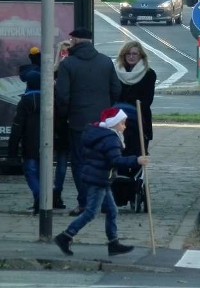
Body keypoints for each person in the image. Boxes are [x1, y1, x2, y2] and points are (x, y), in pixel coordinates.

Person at [54, 107, 149, 257]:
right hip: (98, 179)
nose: (124, 127)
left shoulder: (101, 135)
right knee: (91, 212)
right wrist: (136, 160)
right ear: (114, 124)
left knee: (112, 210)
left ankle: (113, 243)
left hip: (100, 178)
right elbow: (116, 160)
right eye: (122, 123)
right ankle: (65, 236)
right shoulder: (111, 139)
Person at [56, 27, 122, 216]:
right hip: (103, 123)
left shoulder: (68, 65)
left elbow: (62, 96)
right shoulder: (105, 62)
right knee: (101, 161)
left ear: (75, 41)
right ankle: (102, 201)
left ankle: (84, 202)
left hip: (78, 123)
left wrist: (65, 115)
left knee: (79, 163)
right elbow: (116, 89)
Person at [8, 70, 42, 215]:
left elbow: (17, 127)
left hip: (29, 144)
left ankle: (40, 196)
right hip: (46, 144)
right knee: (42, 173)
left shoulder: (25, 102)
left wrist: (12, 151)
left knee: (30, 173)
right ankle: (40, 201)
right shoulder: (49, 100)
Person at [114, 41, 156, 153]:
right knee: (121, 151)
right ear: (123, 55)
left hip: (139, 117)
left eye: (134, 54)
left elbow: (148, 99)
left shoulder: (149, 74)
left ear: (141, 55)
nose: (131, 57)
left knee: (138, 151)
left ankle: (137, 170)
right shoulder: (115, 72)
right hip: (119, 118)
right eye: (128, 54)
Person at [52, 41, 73, 209]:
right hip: (62, 121)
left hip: (64, 120)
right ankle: (56, 193)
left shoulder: (65, 70)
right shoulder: (70, 68)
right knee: (62, 159)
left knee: (63, 159)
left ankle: (57, 193)